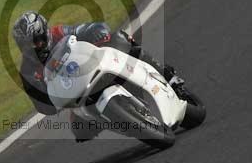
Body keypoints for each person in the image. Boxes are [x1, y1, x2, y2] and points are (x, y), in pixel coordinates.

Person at [12, 11, 181, 142]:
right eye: (27, 45)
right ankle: (126, 120)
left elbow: (86, 29)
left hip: (96, 68)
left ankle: (168, 75)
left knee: (120, 38)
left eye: (38, 40)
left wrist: (98, 32)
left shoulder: (59, 32)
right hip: (78, 97)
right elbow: (42, 105)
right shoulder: (27, 71)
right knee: (80, 130)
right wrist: (46, 100)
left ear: (46, 33)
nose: (35, 47)